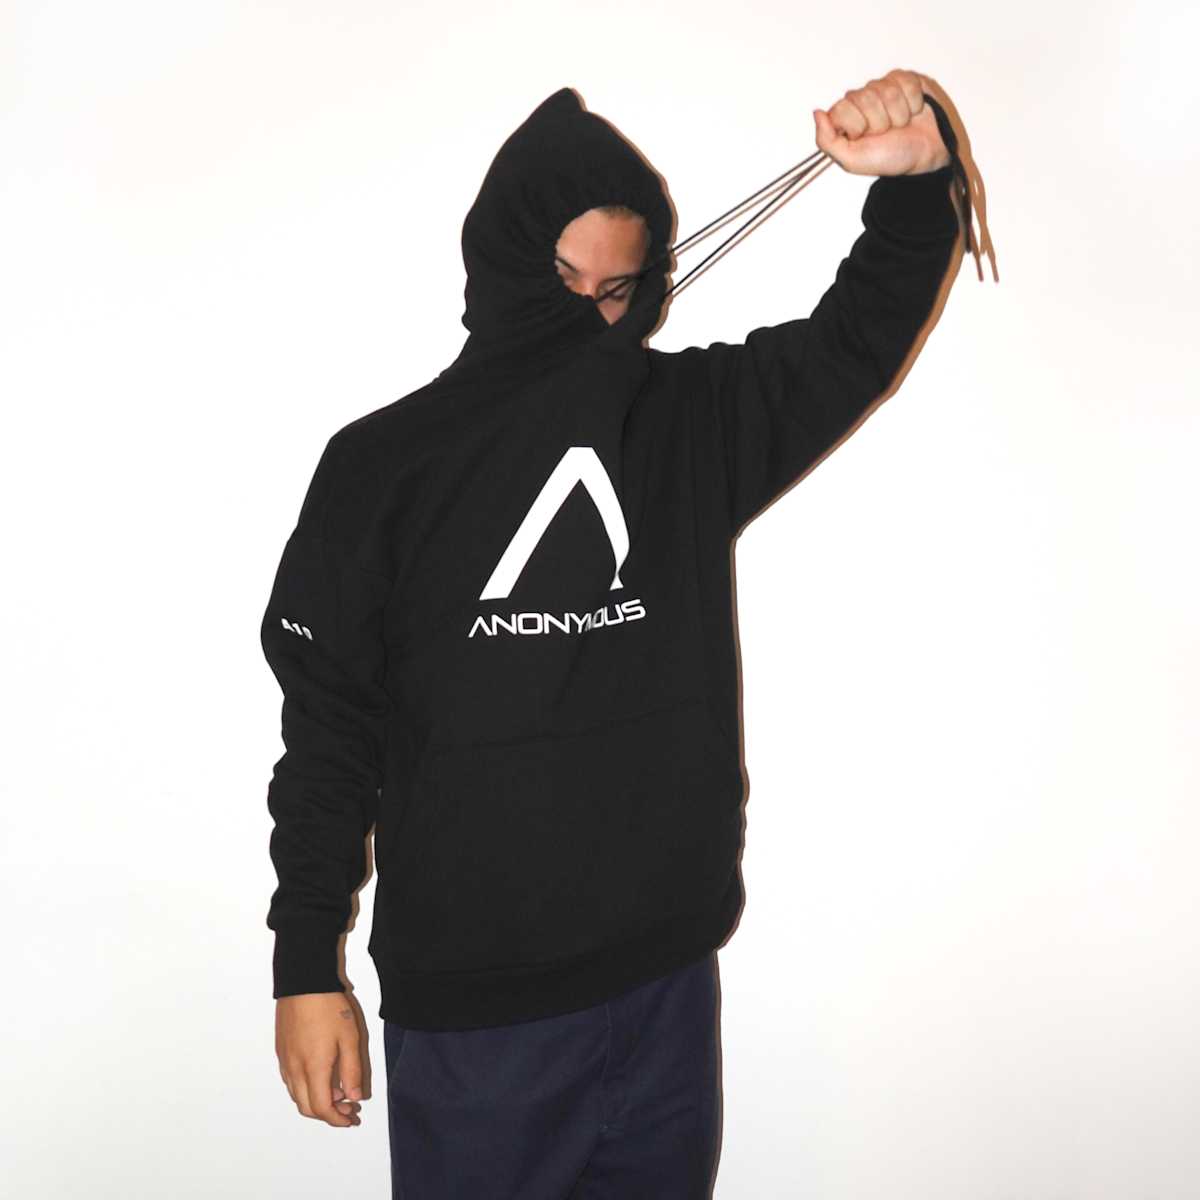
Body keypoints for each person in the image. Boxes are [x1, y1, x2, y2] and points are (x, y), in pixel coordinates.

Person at [261, 69, 968, 1198]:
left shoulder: (684, 426)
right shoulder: (383, 466)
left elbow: (856, 340)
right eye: (561, 284)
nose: (586, 321)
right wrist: (307, 967)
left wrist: (920, 184)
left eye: (616, 292)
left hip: (665, 987)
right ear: (500, 265)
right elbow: (329, 732)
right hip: (479, 1022)